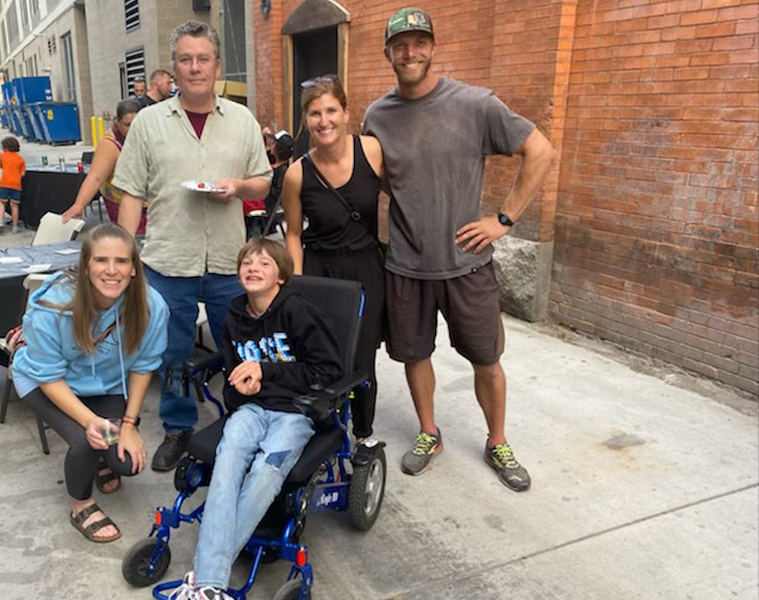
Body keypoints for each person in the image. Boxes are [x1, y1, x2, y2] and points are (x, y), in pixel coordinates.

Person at [362, 7, 555, 490]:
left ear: (432, 47)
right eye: (400, 45)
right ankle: (430, 432)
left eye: (418, 43)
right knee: (413, 354)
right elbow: (381, 179)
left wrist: (503, 219)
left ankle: (497, 440)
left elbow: (541, 150)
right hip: (406, 264)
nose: (410, 52)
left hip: (467, 264)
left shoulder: (475, 104)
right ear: (388, 53)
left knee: (486, 358)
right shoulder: (377, 115)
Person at [111, 20, 272, 473]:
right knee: (173, 352)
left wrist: (239, 186)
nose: (195, 67)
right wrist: (125, 259)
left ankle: (243, 421)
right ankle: (179, 428)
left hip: (228, 262)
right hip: (167, 259)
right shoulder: (147, 123)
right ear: (174, 67)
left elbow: (264, 178)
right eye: (186, 59)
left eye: (203, 59)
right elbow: (131, 194)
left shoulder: (241, 120)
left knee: (239, 347)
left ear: (217, 66)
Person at [169, 238, 342, 600]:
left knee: (266, 470)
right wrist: (240, 390)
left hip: (295, 411)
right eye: (247, 262)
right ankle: (211, 586)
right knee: (227, 465)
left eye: (264, 263)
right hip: (250, 409)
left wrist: (266, 372)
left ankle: (205, 579)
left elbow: (327, 371)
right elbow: (233, 375)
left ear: (280, 276)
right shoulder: (234, 315)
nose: (253, 268)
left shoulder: (297, 312)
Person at [12, 223, 169, 543]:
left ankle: (102, 461)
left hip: (105, 385)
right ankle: (81, 504)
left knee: (127, 463)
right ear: (85, 266)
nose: (112, 270)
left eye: (122, 261)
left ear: (135, 268)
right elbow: (48, 375)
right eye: (101, 260)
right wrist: (92, 422)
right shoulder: (52, 305)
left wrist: (129, 424)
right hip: (47, 383)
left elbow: (143, 367)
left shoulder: (151, 306)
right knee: (85, 440)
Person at [283, 76, 385, 446]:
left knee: (361, 358)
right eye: (314, 113)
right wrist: (295, 286)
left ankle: (362, 433)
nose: (323, 120)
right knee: (319, 351)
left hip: (365, 270)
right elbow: (293, 233)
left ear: (346, 113)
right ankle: (322, 427)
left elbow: (403, 194)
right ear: (306, 120)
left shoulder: (372, 151)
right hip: (320, 271)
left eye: (330, 111)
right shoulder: (297, 173)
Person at [62, 99, 141, 226]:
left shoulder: (144, 133)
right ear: (117, 121)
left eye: (136, 124)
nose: (132, 129)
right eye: (127, 125)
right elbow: (95, 177)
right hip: (122, 205)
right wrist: (79, 205)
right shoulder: (110, 144)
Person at [0, 136, 26, 234]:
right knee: (14, 205)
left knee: (2, 203)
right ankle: (15, 226)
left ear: (5, 147)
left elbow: (1, 166)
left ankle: (0, 223)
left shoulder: (3, 156)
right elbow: (23, 174)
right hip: (16, 184)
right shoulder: (21, 159)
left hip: (4, 183)